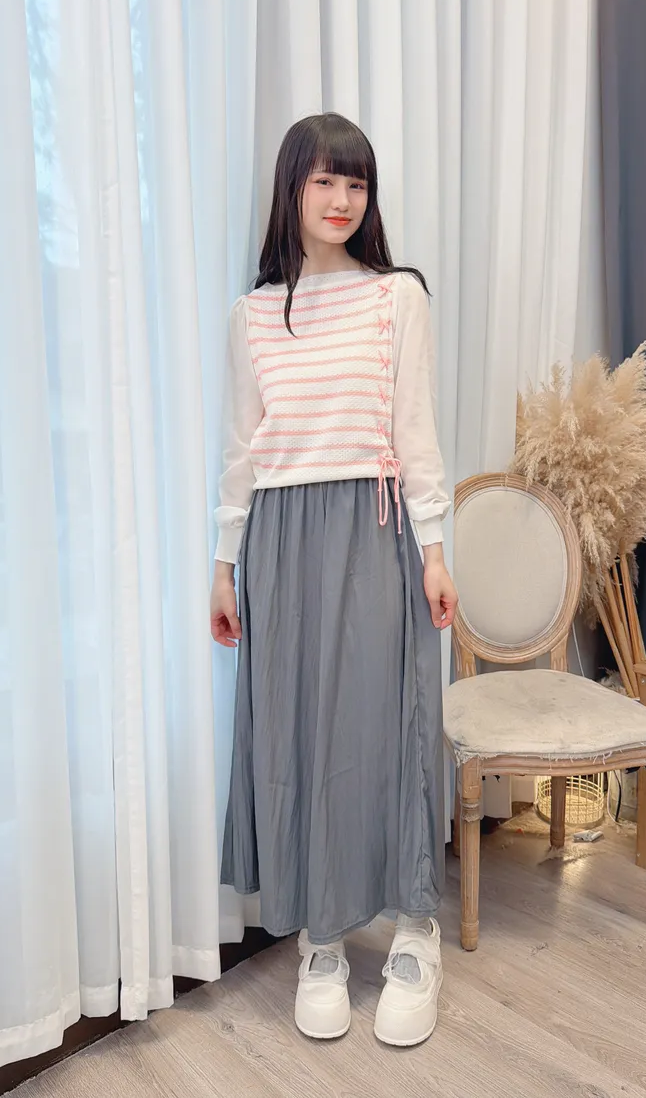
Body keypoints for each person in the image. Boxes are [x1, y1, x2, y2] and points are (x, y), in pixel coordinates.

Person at [210, 111, 457, 1048]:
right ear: (292, 190)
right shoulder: (252, 314)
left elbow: (416, 430)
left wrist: (435, 550)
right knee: (301, 729)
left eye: (357, 183)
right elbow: (241, 450)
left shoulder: (396, 297)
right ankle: (321, 937)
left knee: (390, 723)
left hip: (376, 526)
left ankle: (415, 927)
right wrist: (223, 566)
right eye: (325, 181)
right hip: (279, 539)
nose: (343, 199)